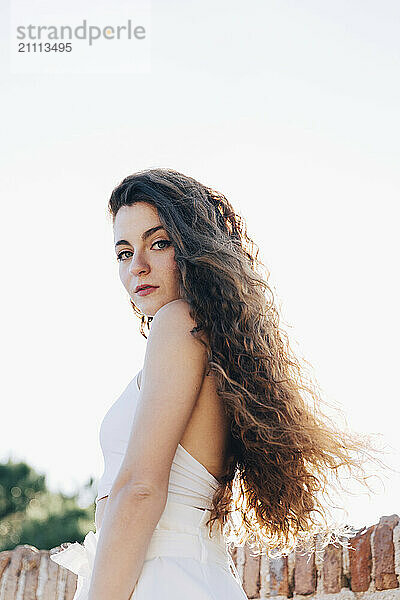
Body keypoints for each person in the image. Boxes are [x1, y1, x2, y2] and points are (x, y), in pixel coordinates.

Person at [51, 167, 386, 599]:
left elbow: (139, 489)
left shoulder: (178, 324)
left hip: (161, 580)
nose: (138, 266)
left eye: (158, 242)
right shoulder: (212, 341)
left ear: (191, 246)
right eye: (123, 252)